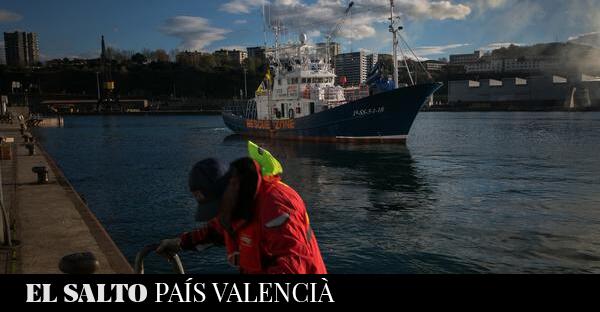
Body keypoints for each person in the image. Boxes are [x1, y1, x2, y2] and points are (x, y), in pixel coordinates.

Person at [157, 145, 327, 274]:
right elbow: (217, 230)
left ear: (231, 185)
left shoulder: (276, 205)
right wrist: (182, 242)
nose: (218, 212)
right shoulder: (234, 206)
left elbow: (293, 264)